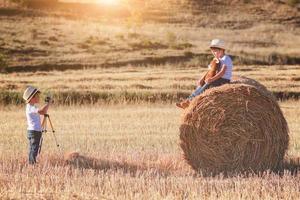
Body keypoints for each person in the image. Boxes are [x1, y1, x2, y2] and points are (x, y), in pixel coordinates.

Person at [176, 39, 233, 109]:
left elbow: (222, 72)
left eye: (216, 51)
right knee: (200, 85)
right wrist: (202, 78)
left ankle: (190, 102)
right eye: (213, 52)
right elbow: (209, 70)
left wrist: (212, 79)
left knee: (206, 85)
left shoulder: (226, 58)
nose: (214, 53)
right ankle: (187, 101)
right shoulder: (215, 59)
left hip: (223, 80)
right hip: (216, 78)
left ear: (222, 50)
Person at [23, 86, 51, 164]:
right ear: (32, 98)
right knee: (34, 149)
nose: (39, 97)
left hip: (34, 131)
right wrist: (48, 103)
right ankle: (32, 164)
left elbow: (40, 113)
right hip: (34, 132)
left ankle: (32, 162)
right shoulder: (30, 108)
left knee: (34, 148)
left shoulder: (32, 107)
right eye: (37, 96)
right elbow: (42, 111)